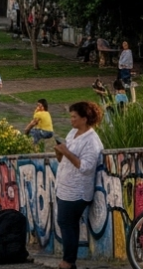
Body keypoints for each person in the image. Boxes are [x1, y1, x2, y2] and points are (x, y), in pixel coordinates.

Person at [52, 101, 105, 269]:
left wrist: (66, 152)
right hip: (64, 186)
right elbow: (64, 159)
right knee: (67, 224)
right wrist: (60, 151)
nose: (71, 120)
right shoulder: (73, 132)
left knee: (66, 223)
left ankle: (68, 262)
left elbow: (86, 168)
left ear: (84, 118)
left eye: (74, 117)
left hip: (78, 191)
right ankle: (69, 261)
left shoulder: (92, 141)